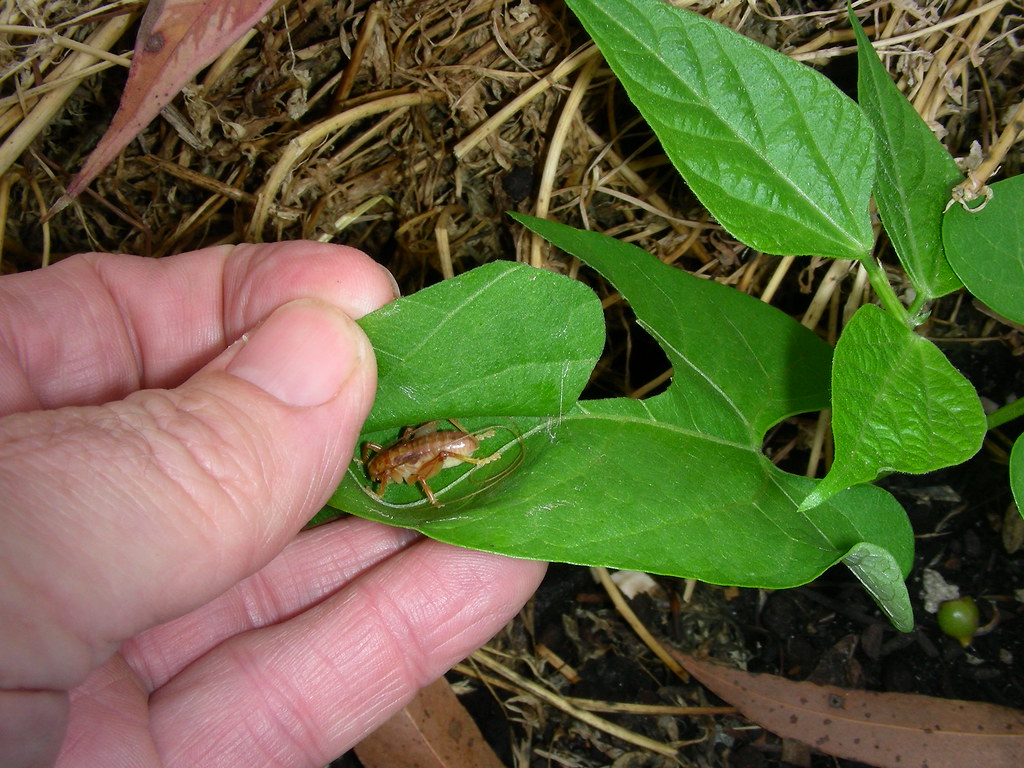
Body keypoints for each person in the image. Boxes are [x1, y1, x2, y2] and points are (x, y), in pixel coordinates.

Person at [0, 242, 547, 768]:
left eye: (375, 467)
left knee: (424, 464)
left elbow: (394, 460)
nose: (374, 469)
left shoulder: (392, 464)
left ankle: (469, 457)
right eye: (375, 469)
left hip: (443, 448)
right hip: (431, 446)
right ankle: (466, 454)